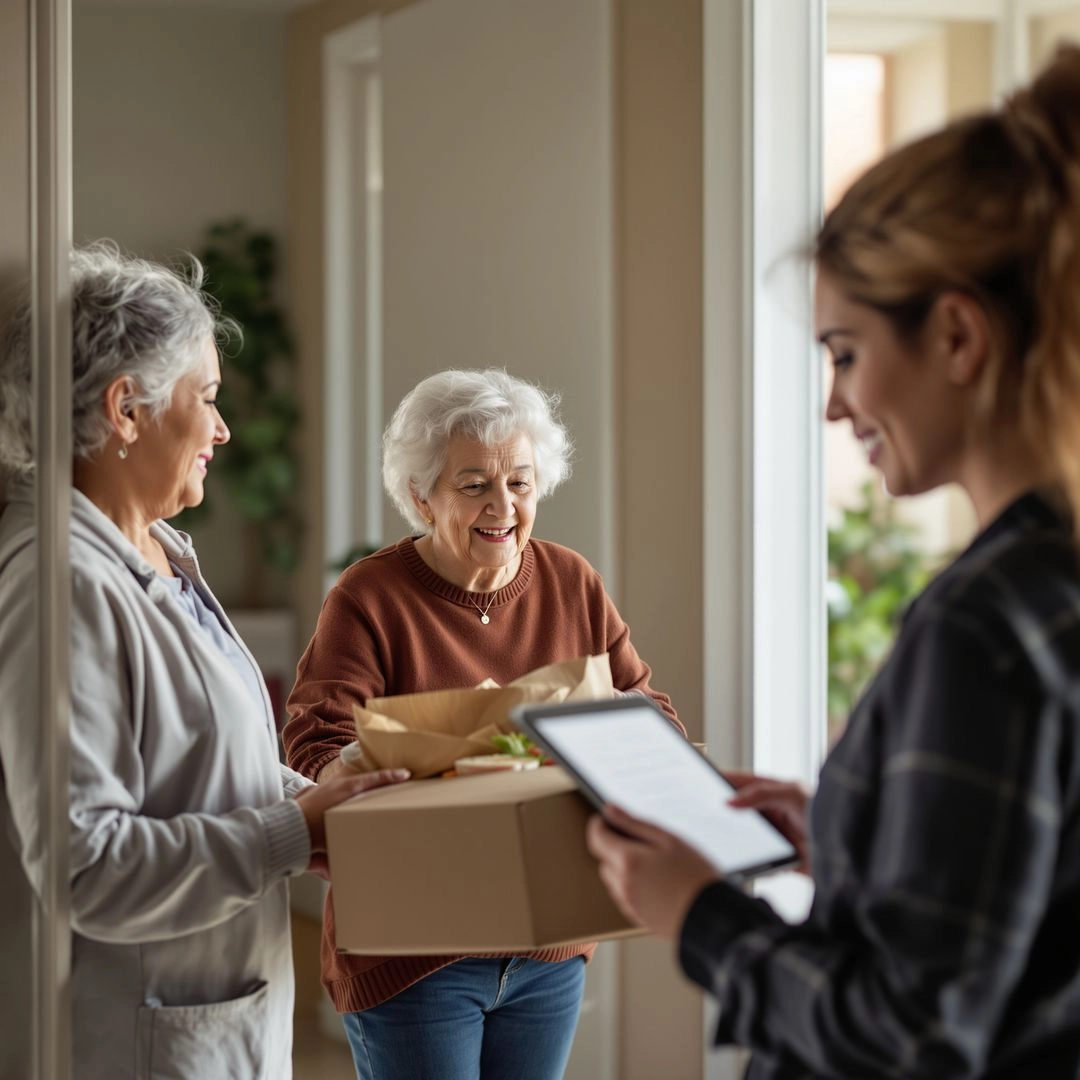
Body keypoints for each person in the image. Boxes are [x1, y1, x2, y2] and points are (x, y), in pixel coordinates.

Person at [586, 43, 1080, 1080]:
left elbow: (914, 1034)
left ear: (956, 336)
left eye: (846, 353)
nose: (832, 404)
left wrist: (700, 917)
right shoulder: (1052, 587)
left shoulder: (980, 625)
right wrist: (853, 841)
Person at [0, 241, 410, 1080]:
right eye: (209, 398)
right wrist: (296, 831)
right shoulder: (60, 583)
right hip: (132, 1043)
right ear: (126, 409)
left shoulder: (157, 552)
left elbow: (202, 768)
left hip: (219, 1016)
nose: (222, 428)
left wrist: (326, 805)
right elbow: (87, 867)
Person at [283, 367, 682, 1080]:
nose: (503, 506)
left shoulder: (571, 581)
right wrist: (420, 765)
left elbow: (649, 713)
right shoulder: (369, 596)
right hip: (415, 956)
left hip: (547, 951)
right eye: (474, 485)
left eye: (520, 482)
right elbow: (315, 744)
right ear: (420, 495)